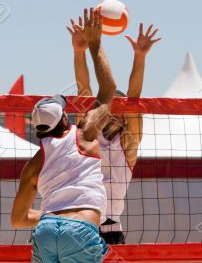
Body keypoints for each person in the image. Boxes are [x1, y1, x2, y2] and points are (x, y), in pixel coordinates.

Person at [11, 7, 116, 262]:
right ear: (64, 119)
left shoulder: (34, 164)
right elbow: (108, 90)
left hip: (46, 231)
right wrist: (95, 43)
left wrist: (52, 215)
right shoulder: (85, 134)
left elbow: (18, 219)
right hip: (81, 230)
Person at [67, 19, 161, 244]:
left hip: (110, 230)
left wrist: (140, 57)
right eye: (110, 107)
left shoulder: (128, 143)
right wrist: (79, 51)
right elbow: (84, 91)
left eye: (119, 109)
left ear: (123, 117)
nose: (112, 112)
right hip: (82, 224)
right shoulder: (86, 135)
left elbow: (134, 97)